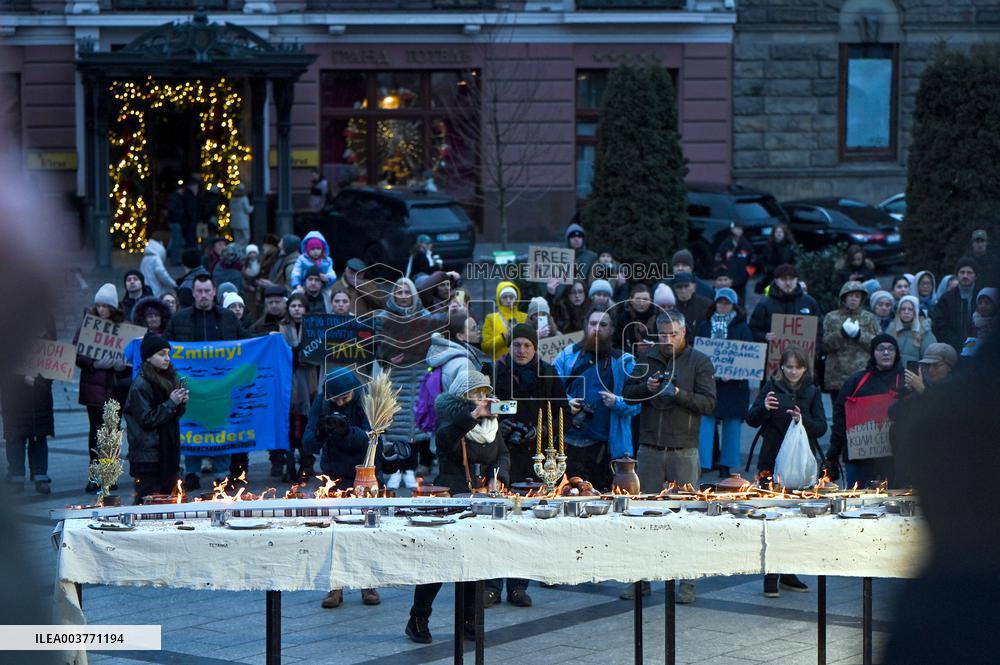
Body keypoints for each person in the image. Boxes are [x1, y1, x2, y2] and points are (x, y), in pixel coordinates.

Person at [405, 370, 509, 644]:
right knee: (438, 560)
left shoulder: (491, 424)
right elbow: (444, 441)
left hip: (480, 498)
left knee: (474, 559)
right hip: (450, 496)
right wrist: (472, 415)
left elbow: (502, 454)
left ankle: (469, 620)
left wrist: (498, 477)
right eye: (476, 393)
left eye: (485, 393)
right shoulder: (450, 417)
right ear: (463, 396)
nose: (482, 398)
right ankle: (418, 618)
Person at [623, 311, 715, 604]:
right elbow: (627, 394)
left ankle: (687, 583)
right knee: (642, 516)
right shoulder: (646, 358)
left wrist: (676, 393)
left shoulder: (699, 361)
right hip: (650, 447)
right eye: (662, 334)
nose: (667, 340)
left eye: (672, 334)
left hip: (683, 449)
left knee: (687, 518)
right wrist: (647, 389)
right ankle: (640, 581)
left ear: (683, 332)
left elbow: (709, 404)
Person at [491, 323, 568, 608]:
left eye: (527, 345)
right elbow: (486, 407)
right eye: (517, 345)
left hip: (535, 456)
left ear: (535, 348)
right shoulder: (497, 372)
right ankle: (491, 585)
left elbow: (562, 413)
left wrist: (540, 431)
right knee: (497, 517)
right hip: (501, 452)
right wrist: (501, 424)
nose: (521, 350)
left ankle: (518, 585)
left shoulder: (548, 373)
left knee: (526, 520)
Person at [745, 345, 824, 597]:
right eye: (788, 367)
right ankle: (770, 576)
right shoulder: (771, 387)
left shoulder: (812, 391)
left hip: (799, 465)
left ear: (805, 368)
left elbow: (821, 427)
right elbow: (751, 419)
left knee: (796, 520)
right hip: (771, 460)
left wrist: (802, 420)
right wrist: (764, 408)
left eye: (797, 367)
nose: (793, 371)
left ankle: (788, 572)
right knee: (771, 517)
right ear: (781, 367)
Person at [303, 367, 381, 609]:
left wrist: (347, 430)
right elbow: (307, 443)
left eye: (344, 397)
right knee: (333, 532)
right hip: (333, 474)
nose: (339, 402)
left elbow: (372, 438)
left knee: (365, 531)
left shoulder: (366, 400)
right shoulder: (322, 403)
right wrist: (320, 432)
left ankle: (368, 583)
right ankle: (335, 586)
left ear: (353, 391)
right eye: (335, 399)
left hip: (364, 473)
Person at [164, 275, 250, 490]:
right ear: (193, 293)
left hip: (220, 386)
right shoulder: (179, 319)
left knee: (220, 426)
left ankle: (222, 474)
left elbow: (246, 342)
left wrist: (269, 337)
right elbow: (165, 345)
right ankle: (192, 472)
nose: (203, 295)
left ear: (214, 293)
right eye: (199, 291)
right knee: (191, 426)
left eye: (207, 291)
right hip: (189, 386)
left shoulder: (228, 317)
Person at [554, 309, 641, 489]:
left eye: (603, 324)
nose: (597, 328)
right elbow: (550, 392)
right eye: (593, 323)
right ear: (586, 327)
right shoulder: (567, 356)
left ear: (612, 329)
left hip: (605, 450)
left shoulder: (624, 361)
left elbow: (638, 403)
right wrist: (567, 402)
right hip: (567, 445)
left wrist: (617, 402)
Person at [826, 334, 906, 486]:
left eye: (891, 349)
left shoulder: (906, 380)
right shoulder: (856, 381)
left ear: (896, 353)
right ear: (873, 353)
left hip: (895, 460)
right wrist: (833, 453)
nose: (886, 352)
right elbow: (840, 418)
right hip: (859, 460)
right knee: (856, 498)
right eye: (881, 349)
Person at [74, 283, 132, 493]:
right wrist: (94, 364)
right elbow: (77, 353)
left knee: (112, 433)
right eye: (98, 306)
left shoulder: (125, 328)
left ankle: (109, 475)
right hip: (94, 388)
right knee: (96, 433)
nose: (101, 310)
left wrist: (122, 366)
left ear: (113, 307)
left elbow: (132, 356)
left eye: (105, 306)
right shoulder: (88, 326)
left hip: (116, 389)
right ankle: (95, 476)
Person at [694, 288, 753, 477]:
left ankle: (726, 465)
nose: (723, 305)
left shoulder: (742, 328)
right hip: (708, 384)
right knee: (705, 423)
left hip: (734, 386)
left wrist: (735, 372)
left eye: (727, 302)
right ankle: (703, 463)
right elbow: (697, 352)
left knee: (732, 425)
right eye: (720, 302)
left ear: (734, 305)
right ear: (715, 303)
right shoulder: (704, 326)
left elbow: (749, 356)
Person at [124, 334, 189, 503]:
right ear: (148, 357)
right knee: (148, 502)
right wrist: (171, 403)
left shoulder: (167, 378)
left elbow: (173, 416)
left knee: (168, 500)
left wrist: (179, 403)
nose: (167, 358)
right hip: (148, 456)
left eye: (168, 353)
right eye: (161, 354)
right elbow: (147, 419)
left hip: (167, 452)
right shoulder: (141, 384)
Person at [2, 318, 56, 494]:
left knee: (39, 438)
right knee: (15, 438)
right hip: (15, 399)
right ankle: (16, 476)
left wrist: (39, 381)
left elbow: (55, 367)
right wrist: (22, 379)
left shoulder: (49, 342)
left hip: (40, 400)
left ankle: (40, 476)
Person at [280, 294, 319, 483]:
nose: (296, 309)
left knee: (306, 424)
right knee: (288, 426)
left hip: (308, 382)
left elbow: (318, 352)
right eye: (293, 305)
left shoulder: (314, 327)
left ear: (305, 308)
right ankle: (289, 465)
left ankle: (306, 464)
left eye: (300, 306)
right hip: (288, 383)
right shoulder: (281, 328)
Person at [822, 281, 880, 397]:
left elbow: (878, 345)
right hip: (837, 377)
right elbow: (824, 345)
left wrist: (859, 335)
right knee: (839, 407)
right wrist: (841, 334)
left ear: (862, 299)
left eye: (857, 296)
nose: (853, 299)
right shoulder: (831, 317)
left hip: (862, 375)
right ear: (844, 297)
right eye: (850, 296)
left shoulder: (869, 318)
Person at [749, 264, 823, 346]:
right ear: (776, 281)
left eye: (791, 279)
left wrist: (815, 350)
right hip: (772, 352)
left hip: (803, 353)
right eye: (783, 279)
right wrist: (764, 336)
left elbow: (819, 330)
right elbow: (753, 330)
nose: (788, 283)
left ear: (797, 280)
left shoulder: (809, 302)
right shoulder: (764, 304)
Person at [425, 314, 489, 397]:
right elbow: (470, 400)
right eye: (473, 329)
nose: (478, 331)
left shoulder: (445, 355)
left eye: (477, 327)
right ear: (460, 336)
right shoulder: (465, 364)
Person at [931, 257, 978, 350]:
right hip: (952, 348)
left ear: (976, 276)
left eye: (969, 273)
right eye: (962, 272)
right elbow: (939, 325)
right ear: (957, 275)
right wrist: (958, 343)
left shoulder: (982, 296)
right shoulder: (946, 298)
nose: (965, 276)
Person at [481, 281, 527, 361]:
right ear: (499, 299)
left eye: (511, 297)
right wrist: (504, 337)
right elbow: (486, 348)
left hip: (523, 363)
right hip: (501, 364)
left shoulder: (525, 317)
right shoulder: (491, 318)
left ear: (516, 299)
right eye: (505, 297)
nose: (508, 300)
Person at [889, 295, 935, 365]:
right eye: (903, 309)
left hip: (913, 371)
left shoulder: (924, 332)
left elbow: (930, 359)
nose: (906, 312)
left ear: (916, 312)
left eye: (910, 309)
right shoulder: (891, 329)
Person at [714, 222, 753, 303]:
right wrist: (722, 274)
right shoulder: (725, 244)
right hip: (728, 280)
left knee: (740, 301)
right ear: (732, 229)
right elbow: (718, 259)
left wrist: (747, 274)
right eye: (736, 228)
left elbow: (752, 260)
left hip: (742, 280)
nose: (738, 231)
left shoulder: (746, 244)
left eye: (740, 229)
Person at [614, 283, 656, 353]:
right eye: (638, 299)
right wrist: (634, 349)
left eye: (645, 299)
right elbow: (615, 346)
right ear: (631, 300)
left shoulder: (657, 318)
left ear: (650, 301)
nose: (641, 303)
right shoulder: (622, 319)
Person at [671, 272, 712, 343]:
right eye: (679, 287)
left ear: (694, 287)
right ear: (674, 289)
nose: (683, 290)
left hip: (700, 344)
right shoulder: (670, 306)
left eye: (686, 286)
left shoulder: (707, 305)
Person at [757, 223, 796, 293]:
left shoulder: (790, 246)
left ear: (784, 233)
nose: (779, 234)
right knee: (768, 295)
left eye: (781, 232)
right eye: (777, 232)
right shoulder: (769, 246)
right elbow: (764, 260)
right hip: (771, 277)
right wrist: (767, 269)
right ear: (774, 234)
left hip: (786, 277)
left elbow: (794, 261)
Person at [565, 222, 598, 287]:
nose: (576, 239)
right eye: (572, 236)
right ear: (568, 239)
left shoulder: (592, 256)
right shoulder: (561, 256)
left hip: (585, 290)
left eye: (579, 236)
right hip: (565, 290)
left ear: (583, 239)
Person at [241, 244, 263, 321]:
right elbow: (243, 279)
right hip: (249, 292)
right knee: (251, 308)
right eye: (250, 253)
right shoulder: (245, 265)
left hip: (260, 290)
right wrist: (248, 287)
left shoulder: (262, 263)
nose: (252, 255)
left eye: (254, 252)